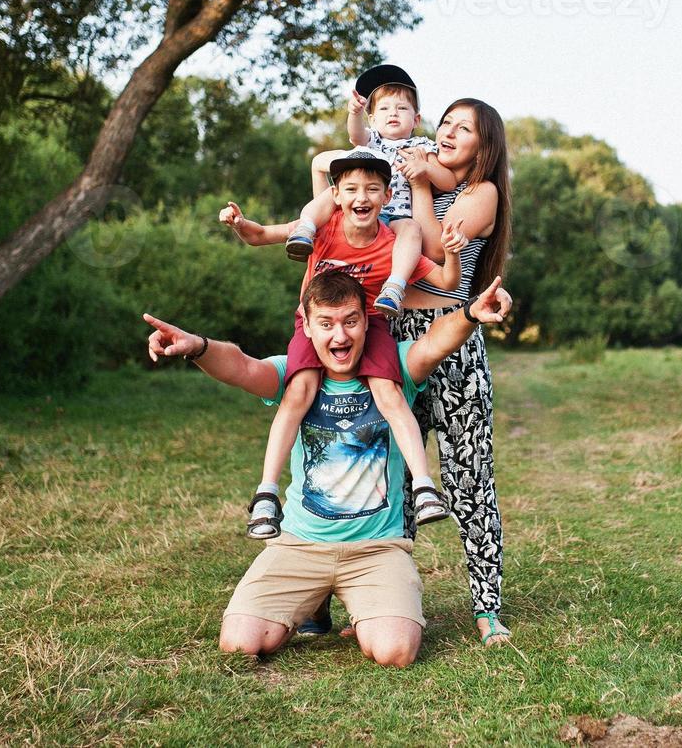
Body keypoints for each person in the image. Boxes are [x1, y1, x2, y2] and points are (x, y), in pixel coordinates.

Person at [142, 270, 514, 667]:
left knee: (395, 651)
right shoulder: (294, 375)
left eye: (350, 321)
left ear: (365, 322)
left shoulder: (395, 370)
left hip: (376, 550)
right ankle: (312, 601)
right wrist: (196, 346)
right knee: (239, 642)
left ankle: (364, 603)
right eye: (327, 324)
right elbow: (241, 367)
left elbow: (435, 342)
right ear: (308, 327)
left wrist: (470, 314)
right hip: (300, 545)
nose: (340, 337)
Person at [218, 148, 469, 540]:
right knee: (297, 392)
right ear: (336, 195)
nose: (361, 197)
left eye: (372, 189)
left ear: (387, 197)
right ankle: (266, 494)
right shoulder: (325, 226)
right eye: (351, 189)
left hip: (367, 324)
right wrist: (238, 223)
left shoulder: (394, 241)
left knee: (390, 394)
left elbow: (448, 283)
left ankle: (423, 488)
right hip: (313, 326)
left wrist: (453, 254)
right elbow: (260, 236)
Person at [393, 98, 514, 646]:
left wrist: (420, 185)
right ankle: (390, 603)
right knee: (393, 478)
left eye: (462, 128)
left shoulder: (480, 193)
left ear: (482, 146)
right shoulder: (423, 173)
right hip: (396, 336)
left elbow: (441, 260)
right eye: (444, 121)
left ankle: (486, 607)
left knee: (469, 476)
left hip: (454, 335)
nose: (446, 132)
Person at [285, 64, 458, 317]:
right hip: (361, 210)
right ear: (373, 119)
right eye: (384, 109)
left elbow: (448, 181)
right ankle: (305, 229)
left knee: (412, 230)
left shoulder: (421, 146)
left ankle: (394, 286)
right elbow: (355, 135)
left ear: (416, 119)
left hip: (397, 218)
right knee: (330, 196)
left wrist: (426, 169)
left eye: (402, 108)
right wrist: (354, 112)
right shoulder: (372, 141)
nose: (393, 114)